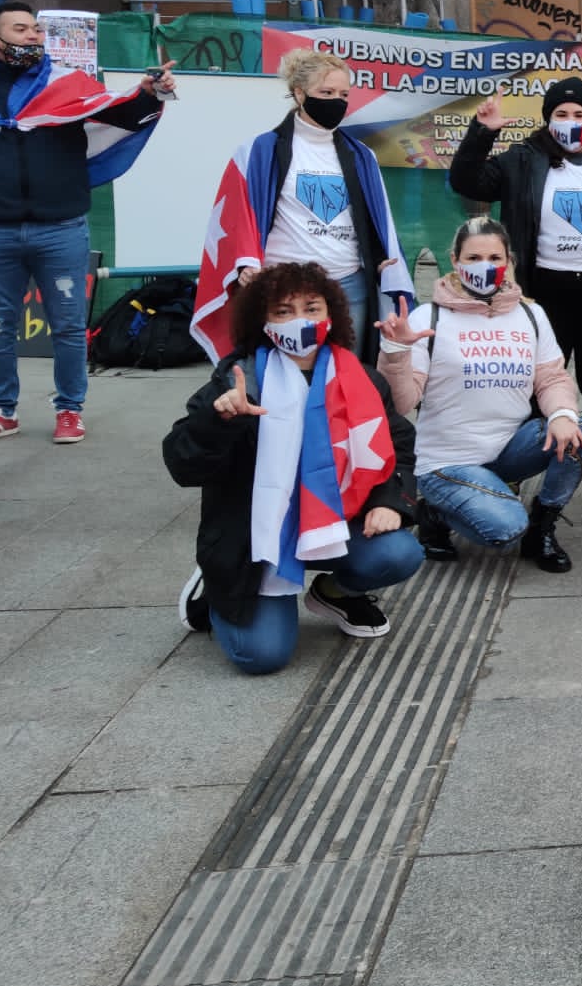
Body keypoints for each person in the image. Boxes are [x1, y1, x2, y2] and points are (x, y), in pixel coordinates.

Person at [162, 261, 423, 675]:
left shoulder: (363, 380)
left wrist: (389, 499)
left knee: (398, 553)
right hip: (256, 540)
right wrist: (219, 420)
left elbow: (400, 447)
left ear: (331, 315)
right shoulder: (238, 379)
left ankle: (335, 592)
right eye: (282, 311)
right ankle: (215, 586)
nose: (299, 321)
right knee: (261, 656)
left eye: (311, 308)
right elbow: (181, 465)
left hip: (336, 520)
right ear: (261, 321)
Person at [0, 0, 175, 445]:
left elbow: (121, 113)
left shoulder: (66, 83)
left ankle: (69, 410)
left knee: (66, 326)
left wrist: (151, 93)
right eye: (21, 29)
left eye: (36, 30)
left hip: (60, 226)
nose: (33, 36)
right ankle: (0, 412)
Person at [449, 78, 582, 506]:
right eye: (561, 115)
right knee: (532, 391)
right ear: (548, 121)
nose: (570, 123)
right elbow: (468, 182)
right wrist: (483, 132)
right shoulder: (522, 161)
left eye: (579, 115)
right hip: (542, 299)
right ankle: (513, 473)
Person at [377, 218, 582, 573]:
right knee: (506, 529)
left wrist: (561, 415)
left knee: (581, 433)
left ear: (509, 260)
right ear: (455, 260)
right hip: (447, 463)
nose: (485, 266)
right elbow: (400, 404)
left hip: (508, 451)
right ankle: (434, 511)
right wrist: (396, 351)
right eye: (474, 257)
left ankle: (542, 528)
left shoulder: (530, 313)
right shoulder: (427, 316)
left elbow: (552, 377)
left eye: (495, 257)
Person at [201, 45, 412, 362]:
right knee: (277, 376)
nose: (336, 101)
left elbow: (377, 216)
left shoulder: (361, 156)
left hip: (347, 284)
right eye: (326, 91)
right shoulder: (260, 151)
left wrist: (382, 257)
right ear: (299, 93)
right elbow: (237, 214)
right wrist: (246, 261)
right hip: (281, 287)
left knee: (343, 375)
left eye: (343, 94)